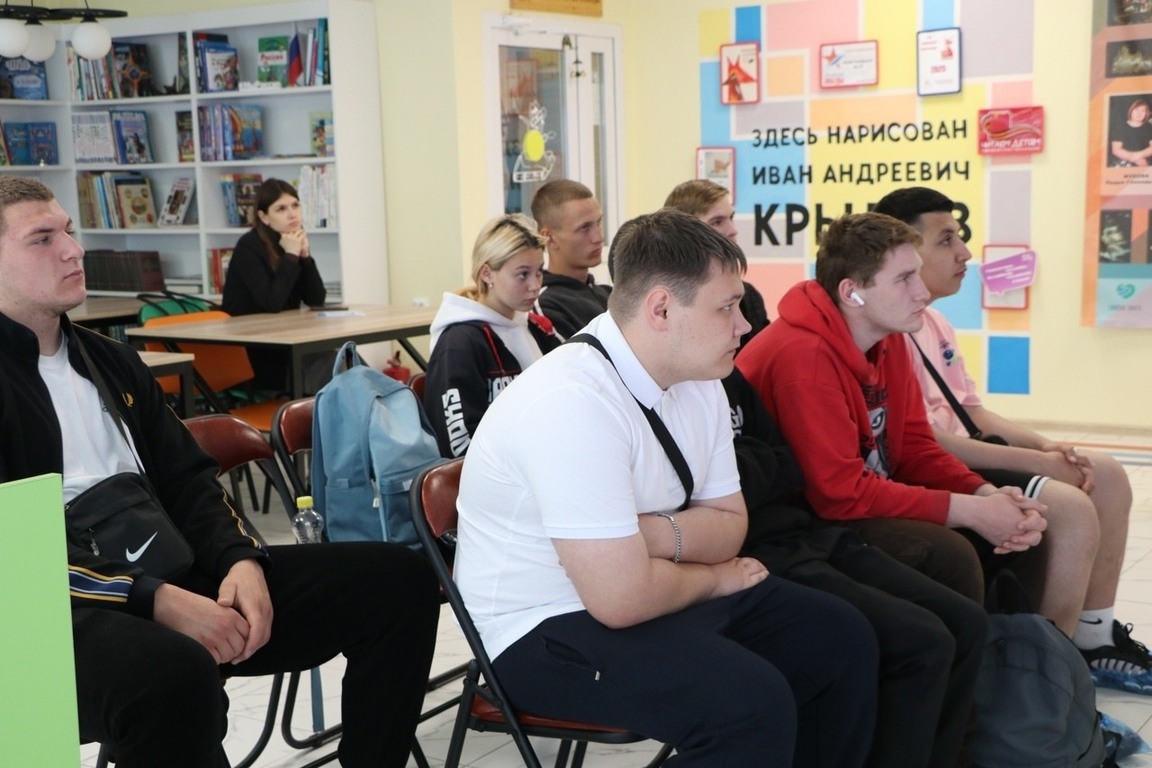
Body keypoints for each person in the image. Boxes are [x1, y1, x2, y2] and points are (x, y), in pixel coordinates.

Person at [0, 176, 440, 767]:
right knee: (174, 673)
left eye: (69, 232)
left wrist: (240, 560)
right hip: (51, 610)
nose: (73, 251)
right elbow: (16, 557)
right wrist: (153, 599)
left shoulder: (111, 361)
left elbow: (188, 480)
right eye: (42, 238)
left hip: (165, 567)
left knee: (398, 580)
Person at [456, 208, 879, 766]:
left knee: (841, 639)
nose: (744, 325)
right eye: (726, 307)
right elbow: (622, 600)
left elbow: (730, 526)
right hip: (539, 626)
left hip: (642, 589)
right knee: (748, 705)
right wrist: (713, 579)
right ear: (661, 309)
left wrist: (644, 538)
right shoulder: (570, 402)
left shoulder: (699, 375)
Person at [875, 185, 1152, 689]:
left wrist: (1044, 447)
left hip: (964, 452)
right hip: (935, 465)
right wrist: (1040, 465)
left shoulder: (934, 322)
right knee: (1070, 508)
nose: (964, 253)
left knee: (1106, 473)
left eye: (960, 237)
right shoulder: (887, 329)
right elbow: (924, 440)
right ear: (902, 253)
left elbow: (972, 412)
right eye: (946, 240)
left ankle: (1094, 639)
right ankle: (1048, 680)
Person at [736, 212, 1051, 609]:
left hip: (851, 500)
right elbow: (837, 496)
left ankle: (1026, 647)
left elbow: (915, 447)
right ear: (852, 292)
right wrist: (971, 511)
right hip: (798, 522)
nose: (922, 292)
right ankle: (978, 646)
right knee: (950, 553)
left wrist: (985, 494)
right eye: (904, 279)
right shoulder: (804, 357)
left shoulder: (889, 337)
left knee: (1024, 532)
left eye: (917, 274)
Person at [424, 214, 559, 458]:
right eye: (522, 274)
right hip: (496, 473)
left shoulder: (536, 329)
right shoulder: (459, 344)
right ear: (487, 273)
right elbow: (459, 446)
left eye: (539, 272)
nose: (535, 285)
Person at [221, 178, 327, 391]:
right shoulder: (249, 247)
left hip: (287, 342)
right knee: (328, 364)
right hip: (255, 352)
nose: (292, 214)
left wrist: (305, 257)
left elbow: (316, 300)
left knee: (342, 357)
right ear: (264, 217)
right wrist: (291, 256)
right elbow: (272, 303)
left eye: (295, 205)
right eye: (281, 209)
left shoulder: (290, 241)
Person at [663, 179, 769, 349]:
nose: (733, 230)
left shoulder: (749, 298)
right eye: (717, 222)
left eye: (731, 218)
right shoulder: (667, 301)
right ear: (684, 233)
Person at [529, 179, 611, 338]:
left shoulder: (609, 294)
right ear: (549, 237)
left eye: (598, 223)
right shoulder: (545, 305)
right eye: (584, 228)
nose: (599, 237)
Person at [1109, 97, 1152, 167]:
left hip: (1145, 159)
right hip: (1124, 160)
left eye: (1143, 111)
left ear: (1146, 113)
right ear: (1131, 110)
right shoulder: (1120, 127)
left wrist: (1138, 156)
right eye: (1136, 110)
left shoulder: (1149, 127)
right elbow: (1116, 150)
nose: (1139, 113)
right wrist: (1134, 159)